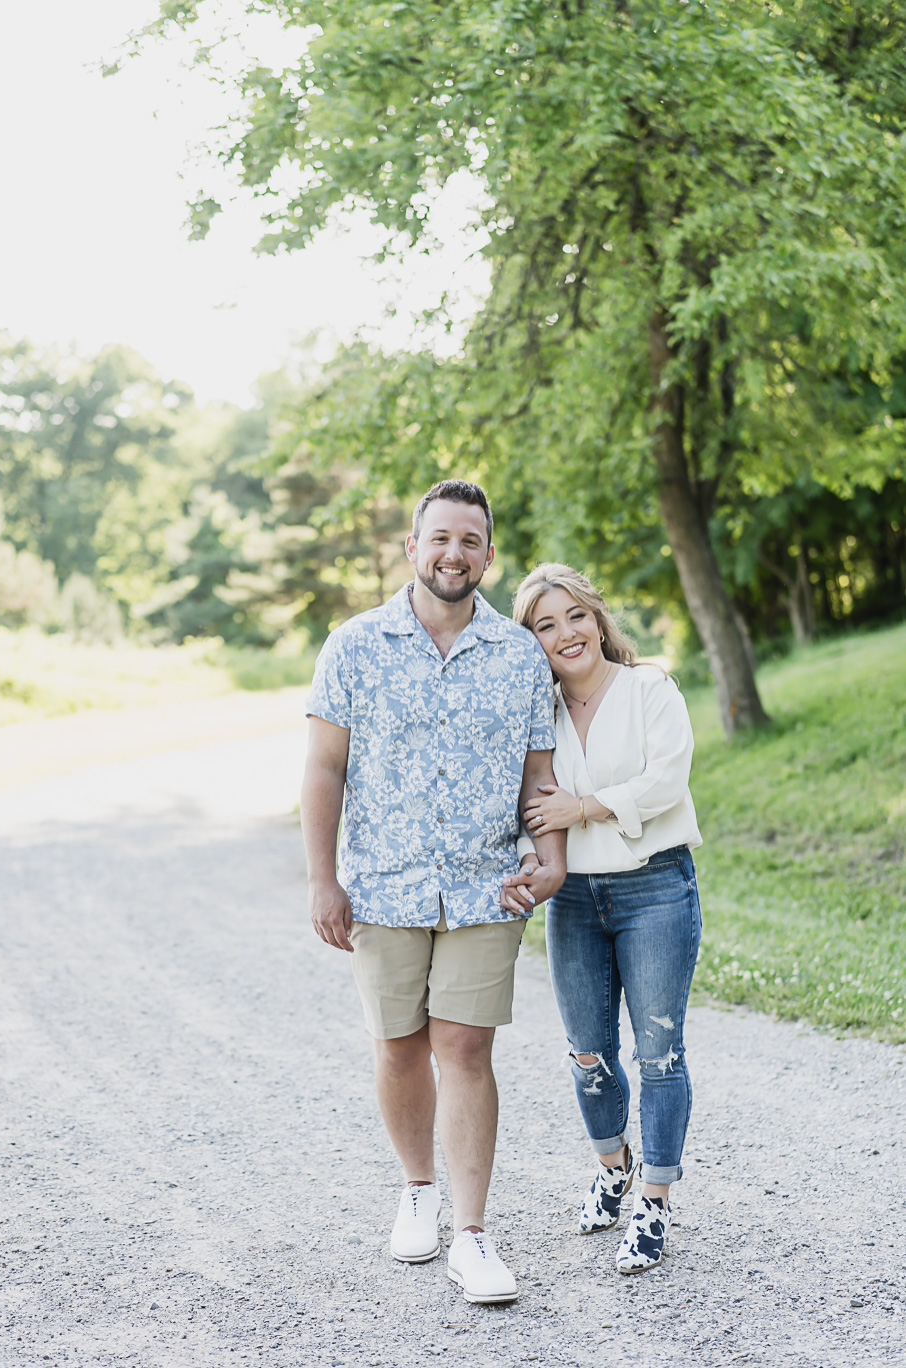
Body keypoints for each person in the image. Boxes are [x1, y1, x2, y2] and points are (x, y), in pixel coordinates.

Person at [302, 481, 565, 1303]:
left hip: (489, 889)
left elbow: (539, 775)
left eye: (471, 541)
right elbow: (324, 767)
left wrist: (548, 857)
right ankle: (418, 1187)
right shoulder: (353, 645)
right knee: (399, 1046)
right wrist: (323, 879)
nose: (454, 553)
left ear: (489, 554)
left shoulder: (520, 656)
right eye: (440, 538)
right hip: (383, 885)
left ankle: (474, 1236)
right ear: (413, 548)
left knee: (466, 1050)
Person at [507, 563, 702, 1275]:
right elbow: (524, 801)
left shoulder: (649, 688)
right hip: (575, 901)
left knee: (660, 1056)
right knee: (587, 1053)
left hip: (655, 888)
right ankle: (612, 1168)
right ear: (531, 642)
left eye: (574, 616)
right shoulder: (539, 717)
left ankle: (653, 1203)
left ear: (597, 617)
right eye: (544, 625)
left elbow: (665, 782)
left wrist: (581, 808)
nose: (565, 634)